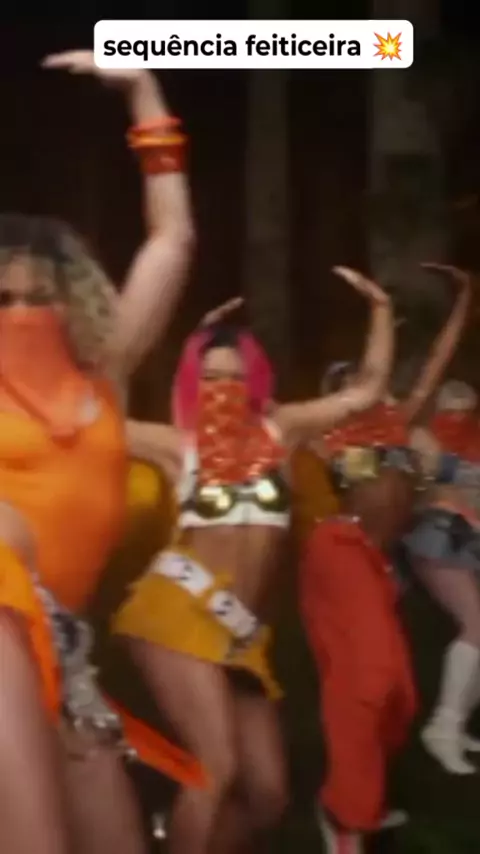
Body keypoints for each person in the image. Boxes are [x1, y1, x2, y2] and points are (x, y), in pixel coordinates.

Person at [111, 266, 394, 854]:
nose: (223, 390)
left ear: (257, 382)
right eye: (210, 377)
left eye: (235, 378)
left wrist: (381, 309)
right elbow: (96, 412)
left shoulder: (280, 431)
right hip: (176, 610)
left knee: (267, 796)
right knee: (214, 769)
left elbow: (366, 392)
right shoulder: (176, 445)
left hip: (242, 635)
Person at [0, 50, 199, 854]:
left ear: (74, 298)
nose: (21, 313)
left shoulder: (105, 373)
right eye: (2, 298)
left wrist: (145, 95)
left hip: (66, 640)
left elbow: (172, 239)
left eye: (39, 296)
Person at [298, 263, 472, 853]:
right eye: (347, 383)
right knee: (366, 682)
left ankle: (364, 792)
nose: (365, 389)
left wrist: (464, 302)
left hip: (378, 564)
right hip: (339, 549)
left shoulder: (399, 421)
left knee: (399, 693)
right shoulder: (326, 438)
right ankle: (346, 815)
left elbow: (436, 363)